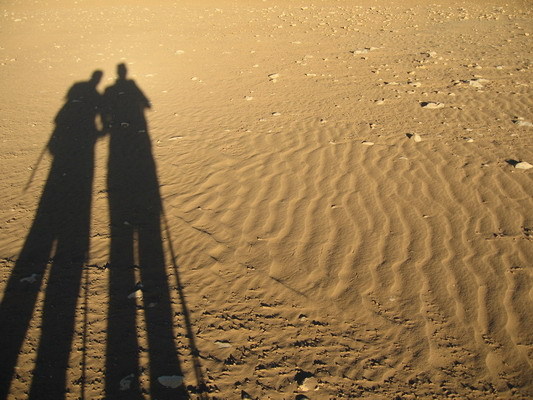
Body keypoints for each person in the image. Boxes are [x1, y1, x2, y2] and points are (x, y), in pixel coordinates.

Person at [0, 70, 103, 399]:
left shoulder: (69, 107)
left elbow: (57, 132)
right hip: (80, 159)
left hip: (67, 159)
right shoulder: (84, 106)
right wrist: (99, 134)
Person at [103, 63, 186, 399]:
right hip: (137, 156)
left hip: (118, 156)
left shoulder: (110, 92)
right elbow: (147, 105)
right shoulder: (128, 89)